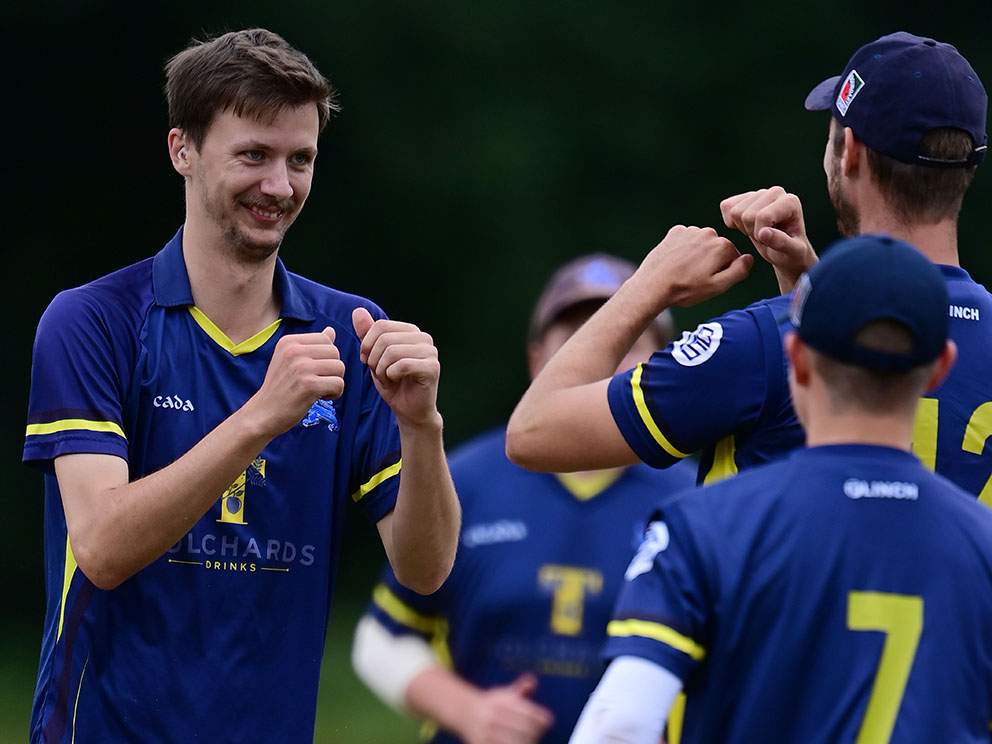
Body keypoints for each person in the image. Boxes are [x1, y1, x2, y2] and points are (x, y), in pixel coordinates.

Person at [22, 28, 460, 744]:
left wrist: (422, 427)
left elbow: (427, 569)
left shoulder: (349, 331)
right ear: (182, 151)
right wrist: (261, 415)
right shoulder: (92, 320)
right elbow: (98, 546)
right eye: (253, 155)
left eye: (301, 159)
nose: (280, 186)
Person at [505, 32, 992, 500]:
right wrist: (810, 287)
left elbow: (533, 430)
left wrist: (646, 285)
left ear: (853, 155)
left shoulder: (761, 345)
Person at [568, 234, 992, 743]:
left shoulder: (703, 527)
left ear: (796, 357)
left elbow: (620, 726)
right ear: (940, 368)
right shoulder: (982, 544)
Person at [351, 254, 696, 744]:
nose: (603, 356)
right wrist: (469, 711)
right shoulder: (465, 479)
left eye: (626, 339)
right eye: (579, 339)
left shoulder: (697, 503)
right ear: (538, 361)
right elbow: (382, 638)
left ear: (662, 362)